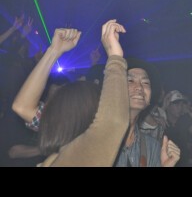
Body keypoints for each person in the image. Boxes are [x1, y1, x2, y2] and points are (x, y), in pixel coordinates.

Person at [13, 19, 130, 166]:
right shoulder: (78, 147)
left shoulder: (81, 148)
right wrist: (115, 57)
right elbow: (22, 107)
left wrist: (54, 51)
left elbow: (23, 107)